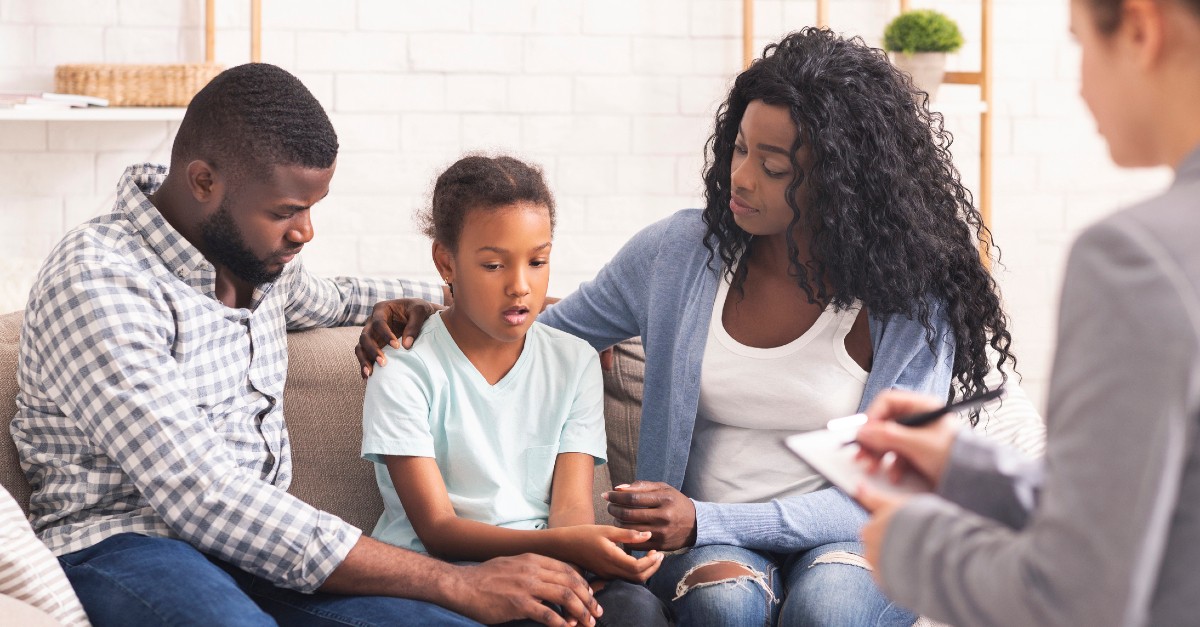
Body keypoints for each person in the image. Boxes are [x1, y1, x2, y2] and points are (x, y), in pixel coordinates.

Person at [359, 29, 1017, 626]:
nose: (740, 177)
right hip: (709, 546)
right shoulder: (680, 254)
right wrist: (435, 306)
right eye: (738, 149)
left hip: (849, 535)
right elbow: (538, 328)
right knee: (723, 607)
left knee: (827, 608)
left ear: (842, 181)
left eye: (774, 166)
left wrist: (703, 516)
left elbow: (884, 494)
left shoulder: (911, 300)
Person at [9, 63, 602, 627]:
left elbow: (338, 296)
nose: (305, 232)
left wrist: (474, 298)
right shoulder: (97, 281)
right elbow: (206, 497)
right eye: (286, 212)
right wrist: (456, 581)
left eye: (312, 208)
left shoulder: (254, 262)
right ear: (203, 181)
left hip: (263, 557)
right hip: (127, 546)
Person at [852, 0, 1200, 625]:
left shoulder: (1136, 259)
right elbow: (1150, 514)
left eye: (1080, 45)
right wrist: (964, 465)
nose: (1081, 84)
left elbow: (1074, 594)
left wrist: (913, 546)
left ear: (1142, 30)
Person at [361, 155, 672, 626]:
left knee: (635, 609)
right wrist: (567, 545)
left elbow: (569, 510)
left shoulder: (574, 361)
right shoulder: (403, 371)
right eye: (493, 264)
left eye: (538, 260)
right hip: (441, 577)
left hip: (547, 563)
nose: (520, 287)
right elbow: (439, 531)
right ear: (446, 262)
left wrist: (600, 552)